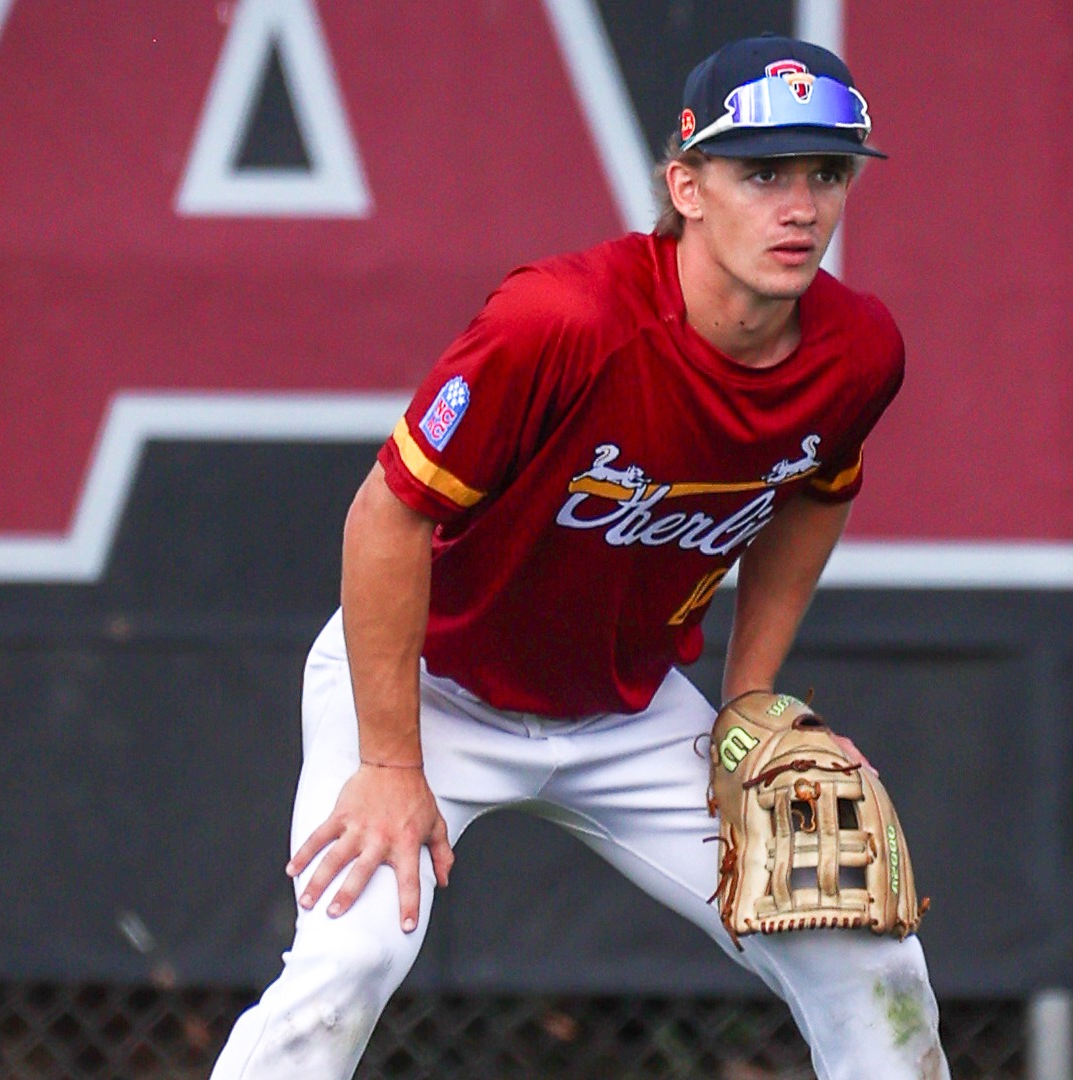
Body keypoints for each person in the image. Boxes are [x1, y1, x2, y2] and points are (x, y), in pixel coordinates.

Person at [210, 34, 947, 1080]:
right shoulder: (561, 321)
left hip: (633, 716)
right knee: (350, 962)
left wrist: (747, 697)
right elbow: (386, 515)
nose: (801, 205)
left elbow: (815, 492)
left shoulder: (859, 350)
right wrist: (387, 763)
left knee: (872, 961)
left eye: (826, 172)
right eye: (762, 171)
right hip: (428, 688)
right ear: (685, 185)